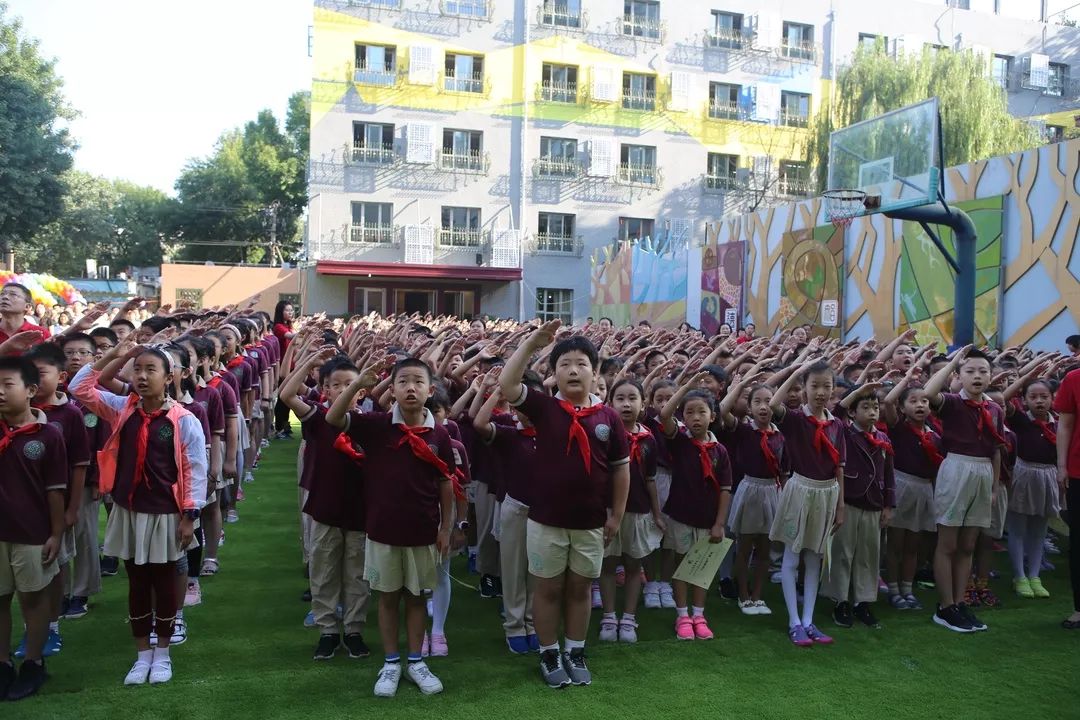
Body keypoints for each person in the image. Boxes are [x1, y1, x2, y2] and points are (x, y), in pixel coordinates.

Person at [498, 322, 629, 689]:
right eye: (565, 364)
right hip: (546, 522)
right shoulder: (544, 408)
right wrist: (530, 345)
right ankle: (548, 651)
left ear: (596, 371)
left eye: (582, 363)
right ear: (553, 374)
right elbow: (507, 387)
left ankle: (574, 649)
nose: (574, 370)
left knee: (580, 590)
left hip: (589, 524)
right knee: (548, 590)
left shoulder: (609, 418)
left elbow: (621, 471)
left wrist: (616, 515)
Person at [69, 343, 208, 685]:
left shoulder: (183, 419)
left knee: (163, 581)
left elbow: (195, 469)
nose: (142, 377)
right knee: (137, 583)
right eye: (137, 369)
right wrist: (118, 352)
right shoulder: (122, 409)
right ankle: (141, 654)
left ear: (169, 377)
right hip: (130, 511)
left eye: (151, 370)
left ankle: (163, 653)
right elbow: (79, 387)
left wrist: (189, 515)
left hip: (165, 514)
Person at [326, 357, 461, 698]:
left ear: (431, 390)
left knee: (416, 599)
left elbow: (446, 482)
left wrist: (446, 527)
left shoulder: (440, 434)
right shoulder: (375, 426)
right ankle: (391, 662)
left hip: (423, 532)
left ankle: (415, 660)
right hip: (384, 530)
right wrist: (357, 386)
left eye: (418, 381)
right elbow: (333, 417)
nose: (410, 388)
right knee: (387, 599)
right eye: (403, 381)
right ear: (392, 389)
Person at [283, 347, 372, 661]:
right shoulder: (318, 417)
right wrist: (309, 361)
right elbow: (287, 394)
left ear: (361, 390)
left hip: (361, 510)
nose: (345, 390)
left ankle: (354, 629)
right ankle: (328, 630)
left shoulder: (368, 421)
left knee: (357, 573)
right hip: (325, 506)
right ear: (325, 389)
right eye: (337, 384)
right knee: (323, 571)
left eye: (352, 384)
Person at [0, 356, 67, 701]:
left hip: (32, 533)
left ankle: (32, 662)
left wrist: (56, 533)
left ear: (29, 391)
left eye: (6, 385)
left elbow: (55, 490)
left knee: (33, 599)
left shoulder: (49, 435)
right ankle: (2, 664)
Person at [922, 347, 1003, 633]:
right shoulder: (953, 403)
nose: (977, 376)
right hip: (956, 469)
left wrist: (993, 488)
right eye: (970, 371)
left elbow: (996, 451)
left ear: (991, 376)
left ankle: (959, 602)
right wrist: (955, 360)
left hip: (982, 473)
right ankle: (945, 606)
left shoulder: (994, 408)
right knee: (949, 543)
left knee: (968, 544)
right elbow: (928, 393)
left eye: (983, 371)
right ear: (959, 376)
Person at [769, 360, 845, 647]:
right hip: (800, 492)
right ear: (804, 389)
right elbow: (774, 403)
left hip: (828, 494)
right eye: (814, 385)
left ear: (834, 389)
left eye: (827, 386)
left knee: (815, 558)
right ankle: (794, 621)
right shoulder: (795, 419)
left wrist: (840, 505)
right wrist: (793, 371)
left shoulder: (837, 424)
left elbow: (839, 465)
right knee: (792, 557)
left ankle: (809, 620)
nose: (821, 392)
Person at [23, 343, 90, 656]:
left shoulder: (70, 414)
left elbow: (79, 465)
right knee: (25, 569)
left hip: (57, 505)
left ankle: (52, 627)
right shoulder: (14, 412)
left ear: (61, 376)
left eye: (40, 374)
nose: (34, 382)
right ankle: (30, 629)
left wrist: (73, 507)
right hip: (22, 506)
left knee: (56, 562)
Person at [473, 374, 544, 654]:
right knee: (513, 570)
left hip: (544, 510)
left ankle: (533, 622)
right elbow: (479, 423)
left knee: (537, 570)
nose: (528, 412)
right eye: (520, 405)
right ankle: (515, 625)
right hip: (515, 507)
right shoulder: (508, 431)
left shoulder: (553, 433)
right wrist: (497, 392)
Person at [658, 374, 732, 641]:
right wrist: (686, 388)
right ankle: (682, 615)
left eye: (702, 411)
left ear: (713, 416)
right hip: (680, 517)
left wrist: (719, 523)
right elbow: (664, 416)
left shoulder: (720, 451)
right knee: (681, 565)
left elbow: (725, 489)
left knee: (701, 570)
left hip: (708, 520)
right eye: (689, 412)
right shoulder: (680, 442)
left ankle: (699, 614)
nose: (696, 417)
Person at [598, 378, 662, 643]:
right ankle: (609, 615)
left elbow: (650, 480)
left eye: (632, 398)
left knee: (634, 565)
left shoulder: (649, 440)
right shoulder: (604, 435)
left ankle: (629, 617)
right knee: (608, 565)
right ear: (609, 403)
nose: (626, 404)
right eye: (620, 398)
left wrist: (657, 513)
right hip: (609, 510)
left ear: (643, 403)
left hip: (637, 511)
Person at [827, 384, 894, 630]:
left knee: (868, 555)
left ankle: (863, 601)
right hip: (850, 501)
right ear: (853, 413)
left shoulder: (883, 438)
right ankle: (841, 600)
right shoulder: (844, 432)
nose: (872, 412)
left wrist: (889, 505)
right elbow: (836, 412)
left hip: (874, 503)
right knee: (843, 553)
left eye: (875, 407)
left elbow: (889, 475)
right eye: (865, 407)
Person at [716, 376, 784, 616]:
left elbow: (782, 470)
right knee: (743, 547)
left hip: (771, 491)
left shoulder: (779, 434)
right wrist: (739, 388)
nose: (764, 406)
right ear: (750, 406)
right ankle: (743, 594)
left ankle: (757, 595)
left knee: (765, 550)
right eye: (757, 401)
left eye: (768, 401)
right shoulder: (744, 430)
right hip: (749, 490)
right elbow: (722, 410)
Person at [881, 370, 942, 611]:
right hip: (901, 486)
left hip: (924, 489)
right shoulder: (899, 428)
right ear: (903, 407)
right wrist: (907, 379)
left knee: (913, 546)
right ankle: (894, 590)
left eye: (925, 401)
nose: (920, 405)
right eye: (913, 401)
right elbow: (887, 401)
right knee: (896, 544)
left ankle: (907, 588)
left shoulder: (936, 436)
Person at [1002, 366, 1059, 599]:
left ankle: (1035, 575)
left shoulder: (1058, 423)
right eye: (1033, 397)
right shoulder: (1020, 420)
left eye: (1044, 397)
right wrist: (1024, 377)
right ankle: (1019, 576)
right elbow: (1002, 398)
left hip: (1048, 475)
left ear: (1052, 399)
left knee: (1039, 531)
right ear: (1023, 400)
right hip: (1024, 474)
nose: (1039, 401)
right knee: (1017, 530)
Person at [1053, 365, 1080, 629]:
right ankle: (1079, 609)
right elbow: (1066, 424)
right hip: (1078, 471)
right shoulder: (1074, 378)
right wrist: (1061, 465)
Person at [272, 301, 297, 439]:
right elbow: (291, 337)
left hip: (291, 367)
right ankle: (280, 428)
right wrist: (307, 330)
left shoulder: (288, 326)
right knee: (282, 399)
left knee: (288, 398)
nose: (290, 313)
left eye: (292, 310)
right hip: (282, 368)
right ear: (280, 312)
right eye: (287, 310)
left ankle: (285, 426)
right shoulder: (279, 327)